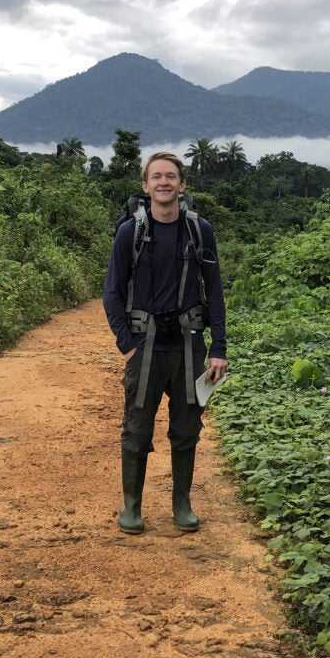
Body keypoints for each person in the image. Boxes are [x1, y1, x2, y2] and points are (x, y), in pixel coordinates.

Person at [103, 151, 228, 534]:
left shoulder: (199, 230)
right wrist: (128, 344)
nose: (163, 182)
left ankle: (182, 504)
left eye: (170, 176)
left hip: (190, 346)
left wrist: (218, 347)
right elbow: (111, 292)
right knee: (137, 427)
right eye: (156, 177)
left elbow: (215, 290)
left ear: (182, 184)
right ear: (145, 185)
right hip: (146, 348)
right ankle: (132, 508)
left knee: (187, 427)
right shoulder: (131, 232)